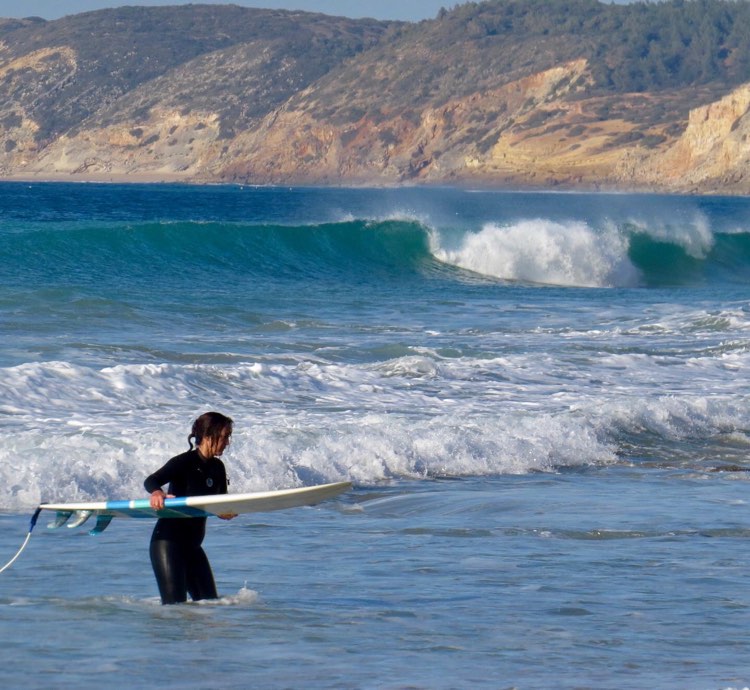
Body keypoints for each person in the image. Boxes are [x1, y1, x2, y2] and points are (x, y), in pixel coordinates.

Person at [144, 411, 235, 605]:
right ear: (210, 434)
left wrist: (224, 511)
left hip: (193, 547)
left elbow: (220, 502)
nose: (228, 442)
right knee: (174, 608)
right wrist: (157, 493)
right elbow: (152, 480)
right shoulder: (184, 462)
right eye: (225, 436)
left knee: (211, 604)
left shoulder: (218, 468)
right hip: (168, 544)